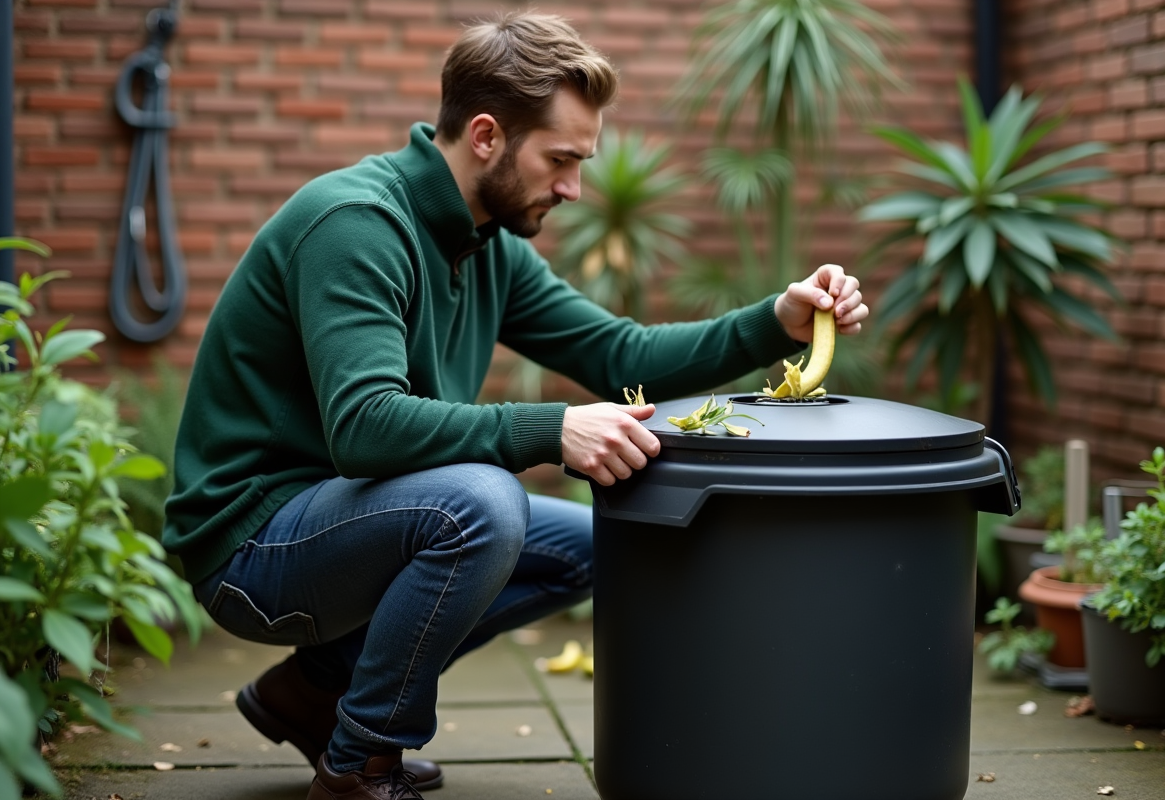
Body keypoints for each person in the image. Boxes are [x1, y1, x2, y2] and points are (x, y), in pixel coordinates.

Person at [163, 11, 869, 800]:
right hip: (254, 547)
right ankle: (360, 763)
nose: (572, 188)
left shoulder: (484, 242)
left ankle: (314, 692)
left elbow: (621, 357)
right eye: (560, 160)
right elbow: (364, 427)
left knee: (601, 543)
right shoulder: (357, 225)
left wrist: (776, 321)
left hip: (347, 520)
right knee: (481, 505)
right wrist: (551, 430)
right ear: (487, 136)